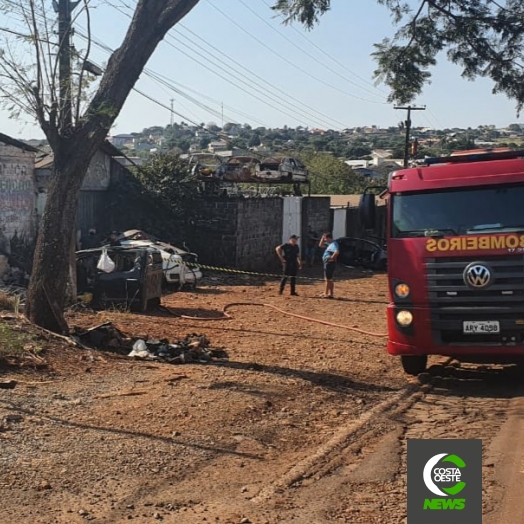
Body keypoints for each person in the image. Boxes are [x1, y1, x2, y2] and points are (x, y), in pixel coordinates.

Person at [319, 232, 339, 298]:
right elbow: (321, 245)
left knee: (327, 279)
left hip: (329, 263)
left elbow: (337, 252)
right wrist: (322, 238)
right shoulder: (330, 244)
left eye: (325, 239)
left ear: (328, 238)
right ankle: (331, 293)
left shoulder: (333, 244)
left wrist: (331, 258)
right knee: (329, 279)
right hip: (328, 262)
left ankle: (326, 293)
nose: (325, 240)